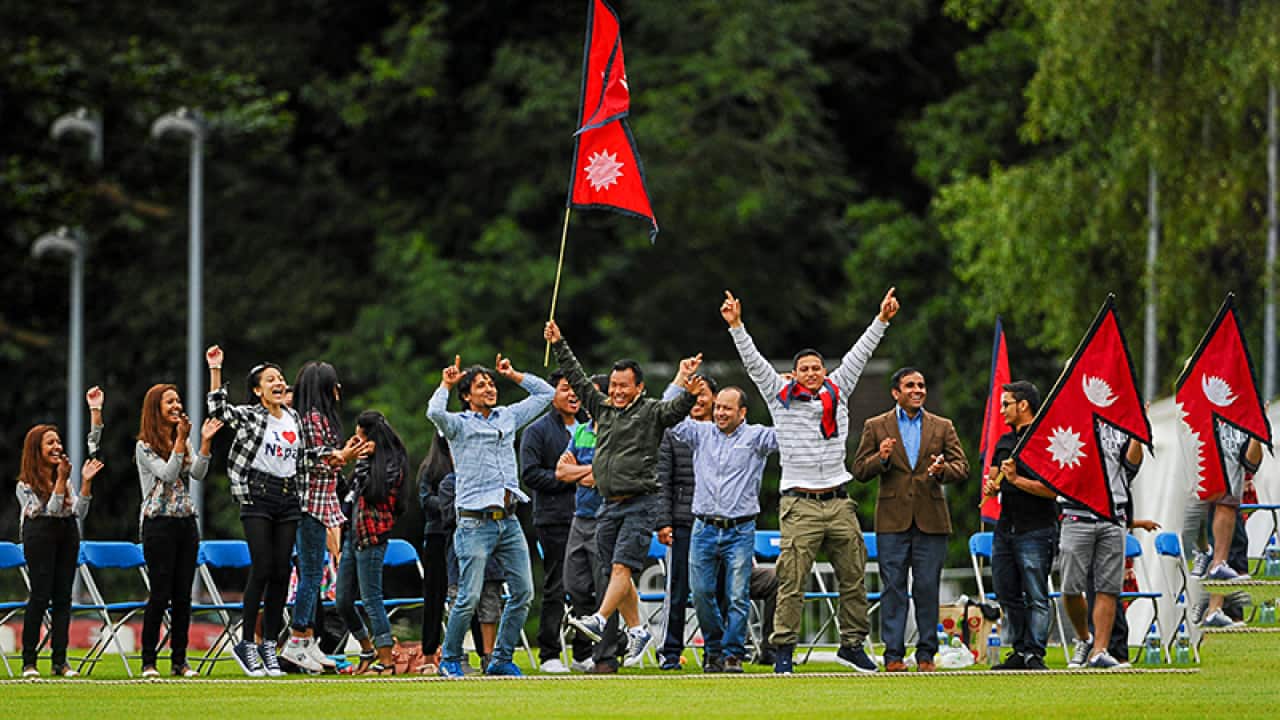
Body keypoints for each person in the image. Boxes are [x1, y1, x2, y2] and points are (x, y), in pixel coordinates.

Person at [722, 288, 899, 674]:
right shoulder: (779, 397)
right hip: (799, 502)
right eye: (804, 369)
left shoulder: (840, 390)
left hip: (838, 499)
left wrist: (882, 319)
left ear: (824, 371)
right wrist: (737, 326)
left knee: (853, 576)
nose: (811, 373)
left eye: (817, 368)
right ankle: (783, 651)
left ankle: (852, 645)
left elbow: (861, 352)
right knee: (791, 581)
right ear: (795, 373)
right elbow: (754, 364)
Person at [546, 320, 702, 669]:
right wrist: (559, 342)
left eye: (623, 386)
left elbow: (675, 410)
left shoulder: (650, 413)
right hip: (607, 505)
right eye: (613, 385)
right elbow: (578, 375)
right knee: (619, 573)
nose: (616, 391)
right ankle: (637, 628)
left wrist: (689, 391)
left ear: (639, 387)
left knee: (620, 567)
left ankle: (600, 619)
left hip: (640, 503)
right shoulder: (601, 408)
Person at [206, 345, 362, 677]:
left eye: (280, 378)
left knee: (280, 572)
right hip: (258, 495)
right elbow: (218, 410)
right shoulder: (252, 416)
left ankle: (268, 649)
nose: (278, 383)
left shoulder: (293, 418)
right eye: (270, 380)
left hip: (289, 497)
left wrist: (336, 456)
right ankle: (247, 643)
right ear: (257, 390)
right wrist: (216, 369)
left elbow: (304, 457)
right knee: (262, 567)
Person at [427, 354, 553, 677]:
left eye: (491, 384)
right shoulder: (458, 425)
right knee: (468, 597)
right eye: (481, 385)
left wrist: (513, 375)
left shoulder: (507, 416)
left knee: (524, 592)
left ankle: (500, 659)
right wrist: (446, 384)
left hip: (508, 521)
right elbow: (434, 412)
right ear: (467, 395)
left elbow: (546, 394)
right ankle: (450, 659)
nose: (489, 389)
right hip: (474, 522)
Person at [851, 367, 969, 673]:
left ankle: (926, 654)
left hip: (932, 519)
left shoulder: (942, 426)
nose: (918, 390)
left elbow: (962, 467)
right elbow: (860, 470)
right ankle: (893, 655)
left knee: (927, 587)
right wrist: (883, 458)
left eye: (922, 385)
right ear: (896, 392)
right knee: (894, 587)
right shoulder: (876, 426)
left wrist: (943, 471)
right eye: (910, 385)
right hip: (892, 521)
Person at [660, 382, 779, 673]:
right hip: (703, 528)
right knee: (700, 592)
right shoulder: (700, 434)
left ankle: (732, 655)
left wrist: (784, 396)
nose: (721, 413)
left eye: (727, 408)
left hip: (740, 529)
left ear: (743, 412)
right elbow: (666, 414)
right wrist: (679, 382)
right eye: (718, 408)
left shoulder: (756, 437)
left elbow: (789, 433)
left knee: (738, 595)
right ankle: (714, 649)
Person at [134, 383, 222, 678]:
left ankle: (179, 661)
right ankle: (149, 661)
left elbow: (197, 472)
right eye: (169, 401)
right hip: (158, 523)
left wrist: (205, 442)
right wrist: (181, 441)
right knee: (160, 594)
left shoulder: (181, 440)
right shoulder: (144, 445)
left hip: (185, 521)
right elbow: (169, 474)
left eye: (177, 400)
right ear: (155, 408)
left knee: (184, 595)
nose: (176, 405)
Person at [16, 388, 105, 678]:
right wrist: (63, 480)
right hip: (39, 535)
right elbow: (51, 510)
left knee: (64, 598)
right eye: (50, 443)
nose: (57, 447)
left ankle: (60, 661)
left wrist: (85, 484)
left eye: (58, 441)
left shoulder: (62, 480)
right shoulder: (25, 486)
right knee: (40, 596)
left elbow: (77, 511)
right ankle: (29, 662)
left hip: (67, 533)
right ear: (36, 450)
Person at [1059, 426, 1160, 669]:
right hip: (1077, 512)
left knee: (1108, 588)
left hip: (1113, 513)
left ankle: (1100, 651)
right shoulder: (1070, 419)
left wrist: (1138, 430)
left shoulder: (1120, 424)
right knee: (1070, 588)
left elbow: (1130, 469)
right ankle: (1085, 638)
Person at [981, 380, 1056, 671]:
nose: (1001, 410)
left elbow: (1052, 489)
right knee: (1006, 591)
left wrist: (1016, 481)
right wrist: (991, 484)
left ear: (1023, 405)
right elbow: (994, 476)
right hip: (1006, 527)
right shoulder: (1004, 442)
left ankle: (1035, 653)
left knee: (1036, 594)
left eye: (1005, 404)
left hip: (1036, 528)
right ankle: (1018, 649)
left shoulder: (1045, 440)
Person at [281, 361, 348, 673]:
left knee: (313, 572)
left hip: (321, 503)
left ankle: (308, 642)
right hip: (310, 503)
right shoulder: (311, 420)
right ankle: (297, 640)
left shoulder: (315, 418)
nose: (338, 390)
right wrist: (344, 456)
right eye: (334, 384)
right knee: (310, 574)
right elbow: (317, 462)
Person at [519, 369, 584, 673]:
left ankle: (585, 652)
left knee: (587, 586)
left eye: (576, 390)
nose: (573, 395)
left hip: (588, 516)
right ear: (552, 394)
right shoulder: (538, 430)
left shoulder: (588, 427)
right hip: (554, 518)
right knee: (557, 585)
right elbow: (530, 474)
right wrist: (569, 479)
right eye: (565, 389)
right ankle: (550, 653)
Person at [335, 411, 408, 674]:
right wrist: (345, 462)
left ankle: (387, 660)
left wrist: (364, 461)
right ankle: (367, 648)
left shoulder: (392, 464)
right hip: (352, 536)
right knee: (342, 600)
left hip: (373, 536)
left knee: (371, 598)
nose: (358, 443)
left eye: (361, 438)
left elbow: (375, 493)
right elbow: (348, 495)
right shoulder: (366, 463)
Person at [654, 374, 718, 670]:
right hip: (682, 521)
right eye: (691, 393)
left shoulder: (726, 432)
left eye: (702, 393)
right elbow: (662, 480)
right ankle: (670, 652)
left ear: (716, 398)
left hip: (717, 522)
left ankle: (716, 652)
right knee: (677, 589)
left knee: (714, 590)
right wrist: (663, 521)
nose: (697, 399)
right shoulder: (673, 432)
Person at [557, 374, 619, 673]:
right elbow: (560, 472)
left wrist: (580, 472)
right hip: (579, 518)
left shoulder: (616, 431)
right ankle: (606, 641)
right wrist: (588, 471)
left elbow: (601, 476)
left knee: (604, 587)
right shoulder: (580, 430)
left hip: (604, 518)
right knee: (575, 586)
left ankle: (605, 656)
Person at [416, 433, 452, 673]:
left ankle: (480, 652)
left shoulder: (467, 458)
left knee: (468, 594)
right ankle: (429, 652)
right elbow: (424, 499)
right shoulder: (430, 466)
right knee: (434, 596)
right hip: (438, 533)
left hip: (464, 533)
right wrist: (451, 504)